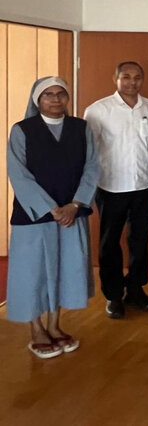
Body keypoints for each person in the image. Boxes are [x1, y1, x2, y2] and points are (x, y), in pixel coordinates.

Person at [7, 76, 100, 358]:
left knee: (64, 268)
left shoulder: (81, 128)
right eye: (48, 94)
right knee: (33, 271)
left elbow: (92, 167)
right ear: (37, 99)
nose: (55, 99)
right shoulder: (22, 130)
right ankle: (36, 329)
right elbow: (18, 173)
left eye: (61, 94)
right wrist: (51, 208)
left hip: (72, 212)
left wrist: (75, 204)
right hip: (34, 214)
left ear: (67, 98)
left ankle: (54, 325)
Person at [83, 61, 148, 319]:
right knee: (109, 242)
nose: (132, 82)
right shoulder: (98, 110)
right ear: (115, 79)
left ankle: (136, 289)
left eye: (137, 77)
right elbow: (89, 150)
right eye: (126, 77)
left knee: (140, 240)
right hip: (110, 186)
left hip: (143, 184)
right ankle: (113, 295)